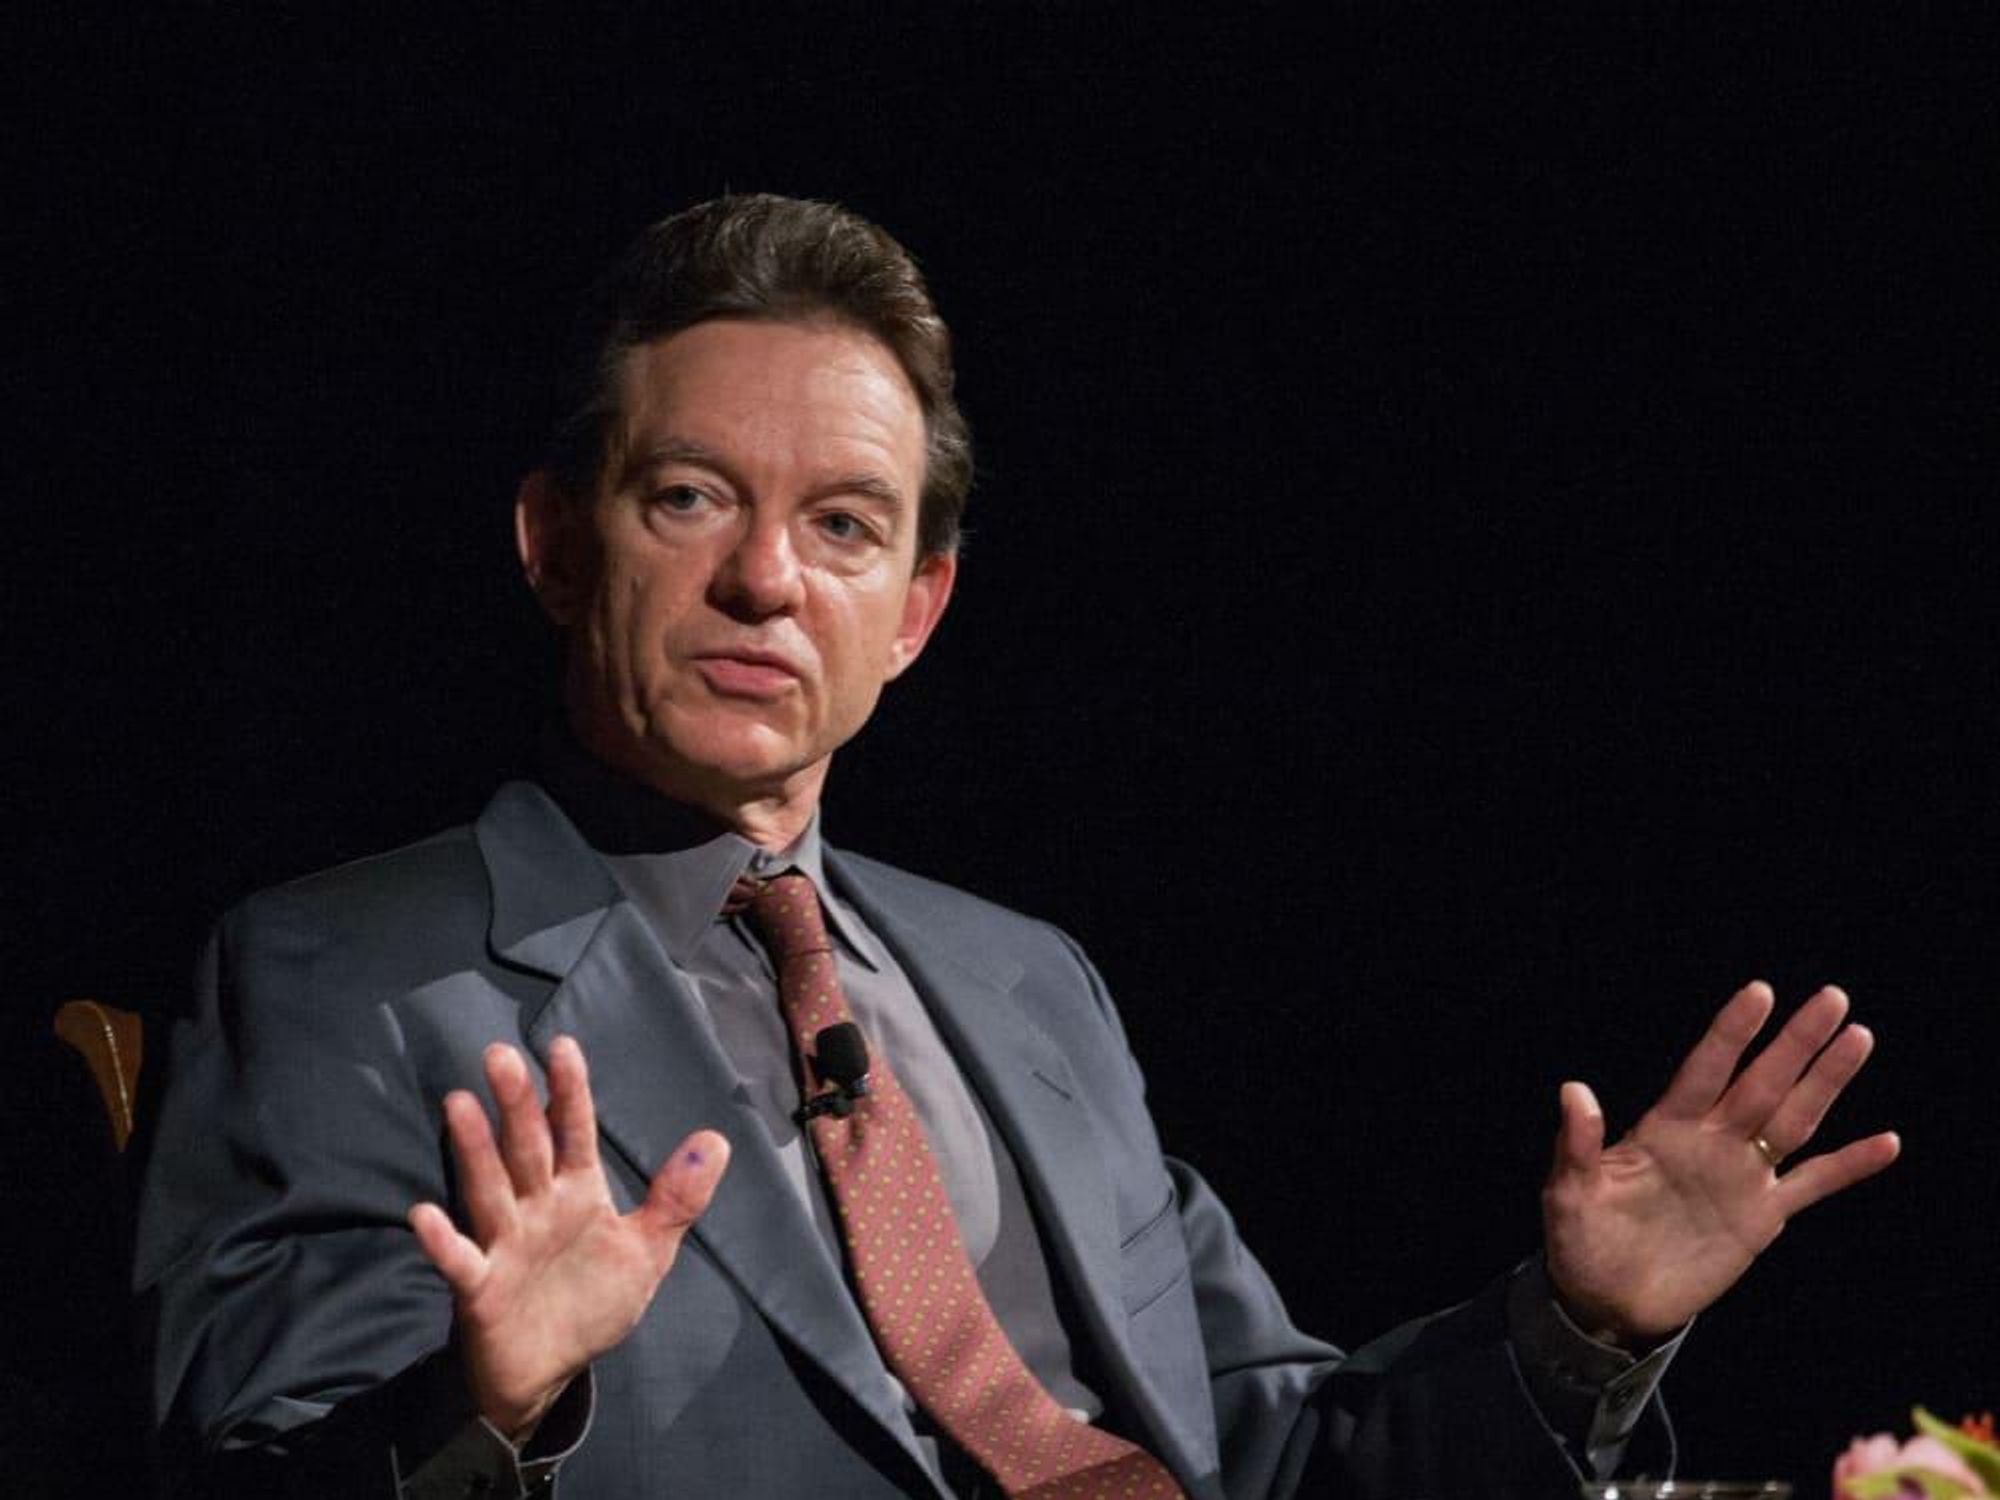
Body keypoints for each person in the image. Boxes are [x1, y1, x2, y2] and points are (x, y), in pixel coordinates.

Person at [134, 194, 1900, 1500]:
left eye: (844, 525)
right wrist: (494, 1404)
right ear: (553, 543)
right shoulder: (343, 970)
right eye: (689, 497)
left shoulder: (1024, 979)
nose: (766, 578)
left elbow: (1285, 1455)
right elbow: (250, 1464)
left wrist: (1579, 1329)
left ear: (915, 610)